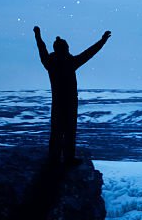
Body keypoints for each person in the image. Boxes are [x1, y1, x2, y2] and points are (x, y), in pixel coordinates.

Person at [33, 26, 111, 165]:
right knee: (69, 131)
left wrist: (38, 35)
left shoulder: (50, 63)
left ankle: (54, 159)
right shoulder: (70, 62)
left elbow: (41, 48)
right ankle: (67, 158)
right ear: (64, 49)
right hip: (70, 102)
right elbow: (90, 53)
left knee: (56, 131)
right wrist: (102, 41)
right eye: (67, 47)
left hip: (58, 102)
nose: (68, 49)